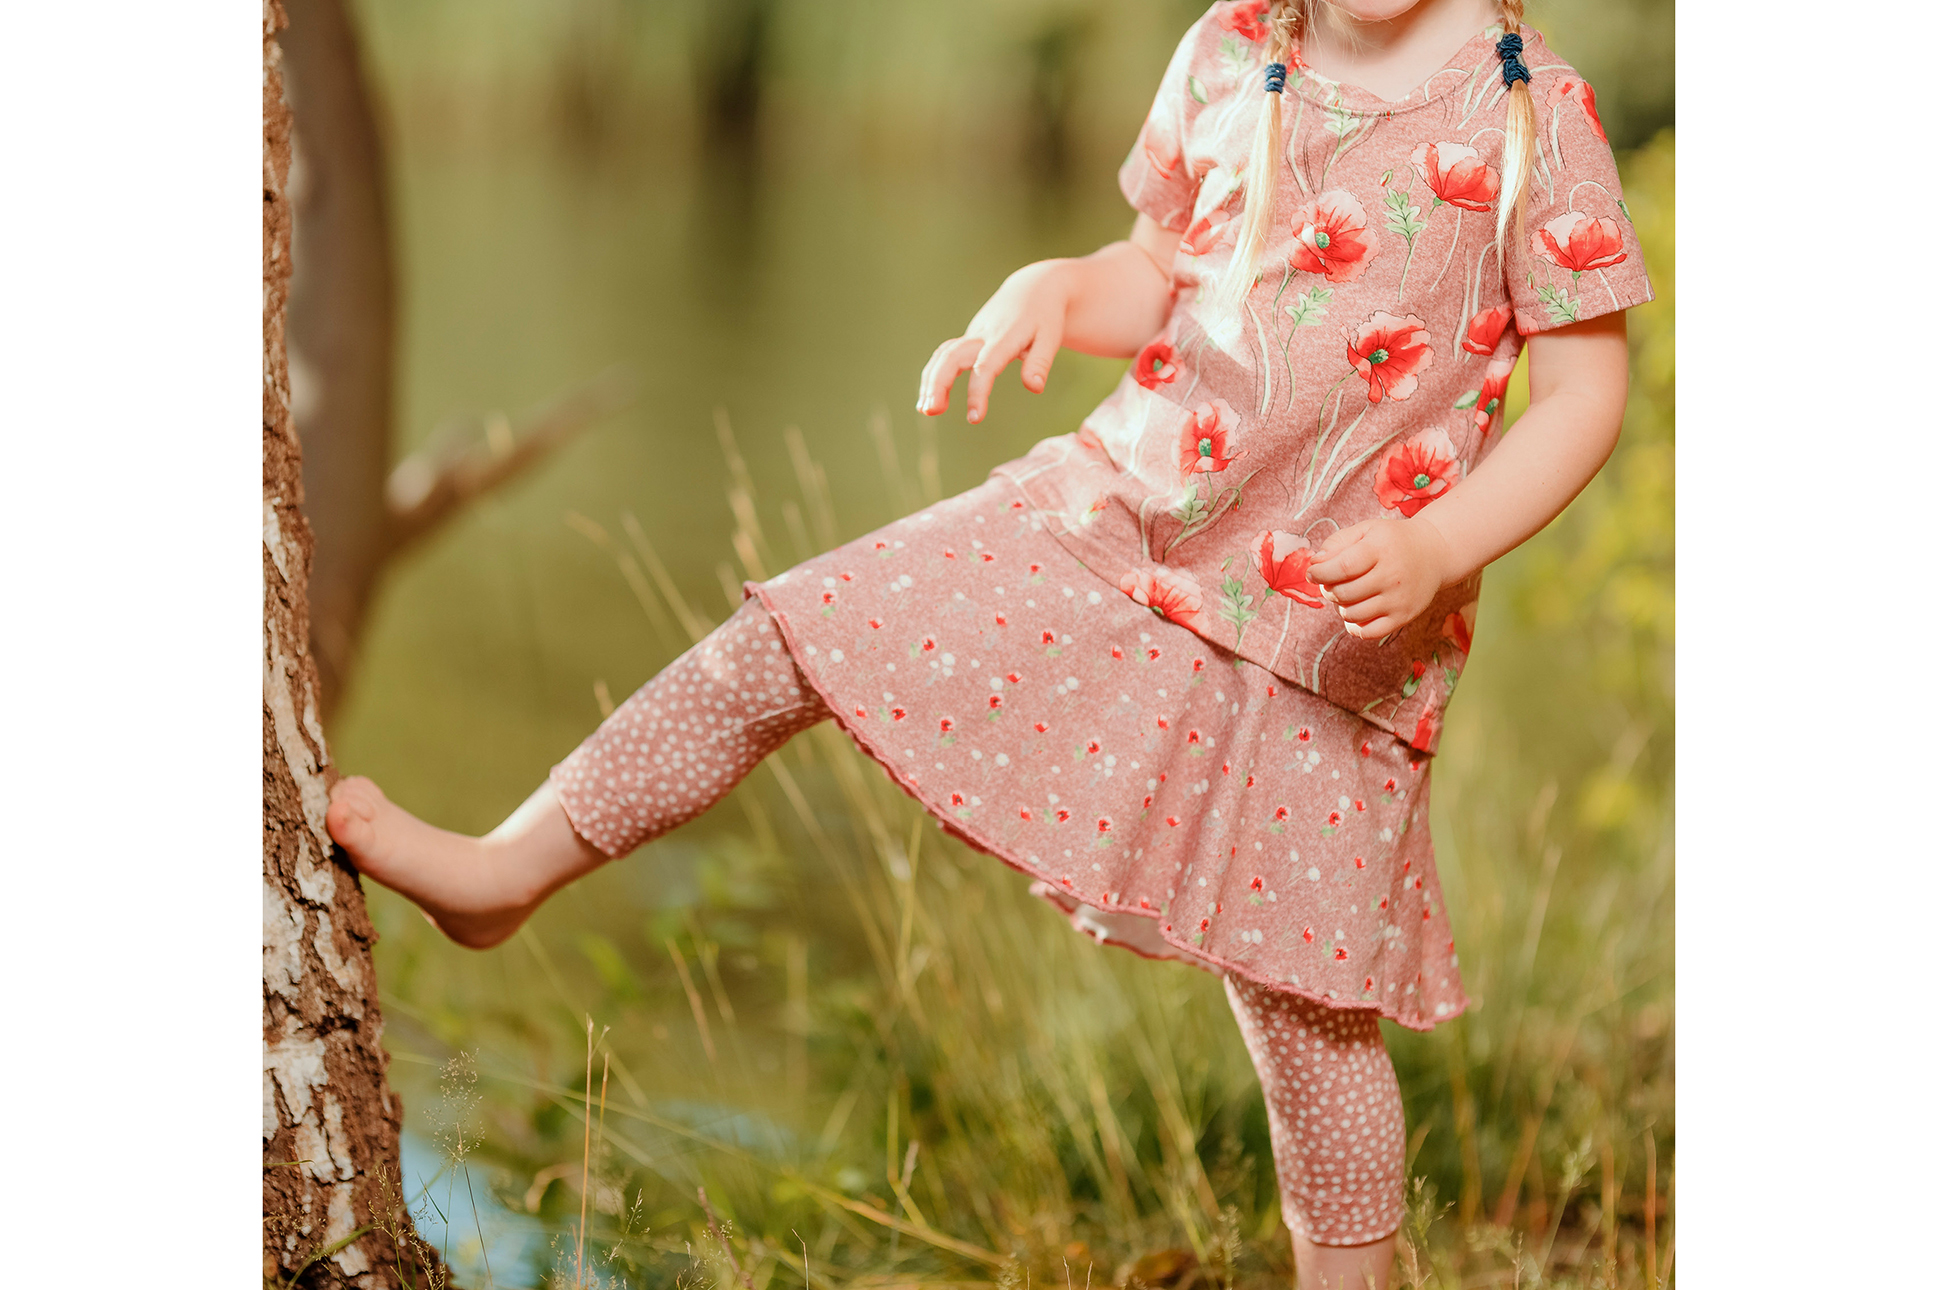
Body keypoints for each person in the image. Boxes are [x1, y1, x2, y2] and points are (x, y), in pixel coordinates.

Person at [326, 1, 1648, 1285]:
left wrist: (1438, 544)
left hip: (1330, 631)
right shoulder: (1234, 47)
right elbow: (1157, 270)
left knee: (1305, 1005)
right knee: (793, 636)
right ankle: (509, 866)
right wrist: (1055, 288)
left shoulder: (1532, 112)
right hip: (1118, 523)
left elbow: (1582, 395)